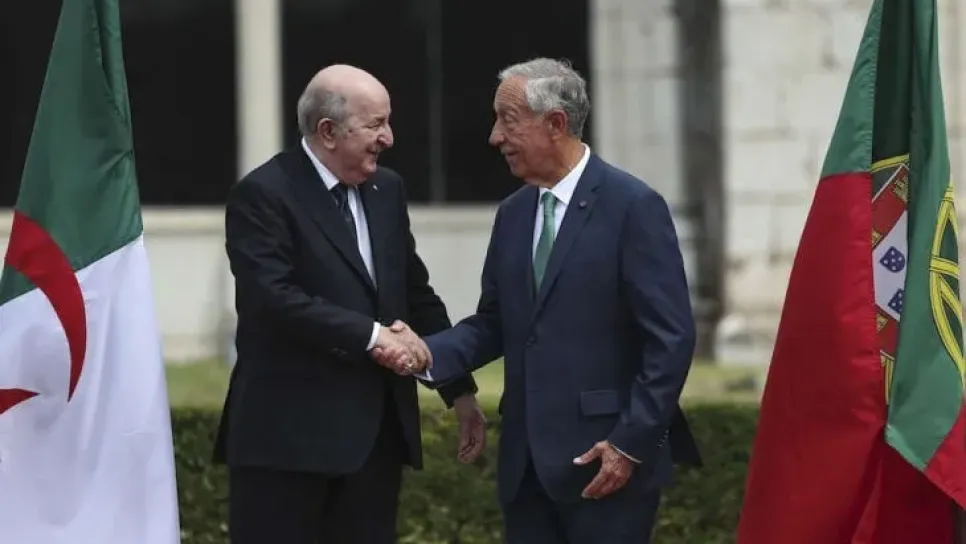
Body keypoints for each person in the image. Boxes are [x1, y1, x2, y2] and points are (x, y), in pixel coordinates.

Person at [375, 58, 702, 543]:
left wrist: (629, 445)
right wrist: (425, 352)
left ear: (556, 124)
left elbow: (671, 341)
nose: (495, 137)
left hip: (607, 466)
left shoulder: (633, 207)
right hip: (527, 470)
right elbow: (494, 323)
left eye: (507, 120)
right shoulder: (513, 213)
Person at [212, 64, 487, 544]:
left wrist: (458, 389)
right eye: (376, 124)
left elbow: (414, 294)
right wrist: (374, 336)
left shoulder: (387, 190)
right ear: (328, 131)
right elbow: (273, 299)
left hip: (373, 447)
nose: (389, 138)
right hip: (286, 447)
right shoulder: (264, 194)